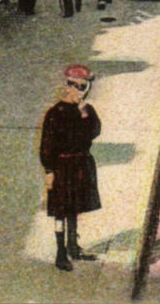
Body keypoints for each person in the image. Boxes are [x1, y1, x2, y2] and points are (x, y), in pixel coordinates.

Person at [40, 64, 102, 272]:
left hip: (81, 164)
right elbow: (47, 145)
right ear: (68, 86)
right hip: (62, 166)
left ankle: (73, 246)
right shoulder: (55, 113)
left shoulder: (86, 110)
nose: (81, 92)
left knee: (74, 208)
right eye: (78, 87)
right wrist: (49, 171)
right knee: (60, 211)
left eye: (85, 88)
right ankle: (60, 253)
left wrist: (84, 111)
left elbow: (94, 132)